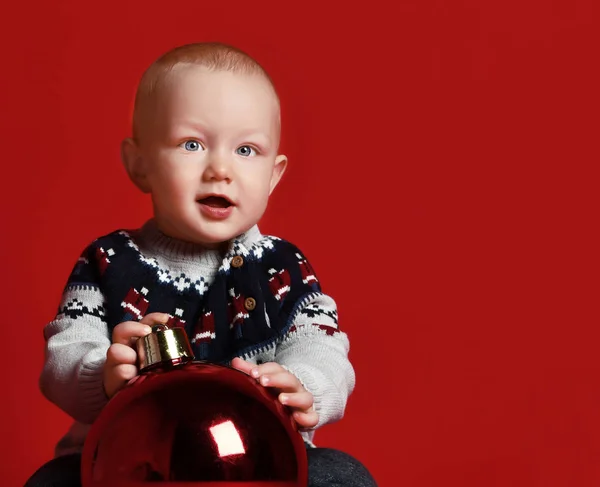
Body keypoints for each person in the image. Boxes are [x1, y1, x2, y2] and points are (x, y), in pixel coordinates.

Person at [25, 42, 377, 487]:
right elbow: (63, 357)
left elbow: (322, 347)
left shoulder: (283, 267)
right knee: (52, 480)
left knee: (344, 476)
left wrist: (302, 384)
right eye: (192, 144)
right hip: (134, 460)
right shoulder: (109, 261)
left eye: (246, 150)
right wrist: (106, 372)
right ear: (140, 165)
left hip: (260, 460)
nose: (220, 170)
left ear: (274, 174)